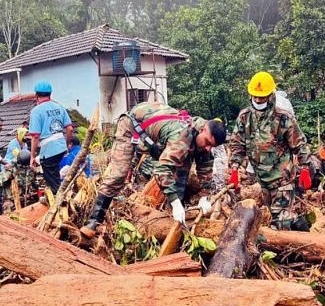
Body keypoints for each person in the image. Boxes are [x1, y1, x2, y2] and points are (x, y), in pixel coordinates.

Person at [81, 102, 226, 238]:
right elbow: (161, 170)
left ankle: (173, 220)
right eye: (207, 142)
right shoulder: (182, 137)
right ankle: (94, 221)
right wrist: (175, 203)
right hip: (132, 125)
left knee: (181, 174)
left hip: (157, 132)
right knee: (119, 174)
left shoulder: (203, 143)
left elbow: (205, 175)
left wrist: (205, 198)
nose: (208, 148)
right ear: (202, 129)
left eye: (212, 146)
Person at [228, 71, 311, 231]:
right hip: (262, 180)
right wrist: (234, 167)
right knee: (275, 216)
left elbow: (299, 144)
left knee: (279, 226)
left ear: (271, 95)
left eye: (262, 97)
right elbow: (237, 144)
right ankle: (299, 226)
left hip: (282, 179)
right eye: (255, 96)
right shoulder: (244, 117)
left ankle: (290, 250)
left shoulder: (283, 118)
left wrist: (305, 167)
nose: (258, 100)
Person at [28, 80, 73, 194]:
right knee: (55, 176)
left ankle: (60, 203)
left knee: (52, 183)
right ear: (50, 94)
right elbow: (70, 129)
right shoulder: (59, 107)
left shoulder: (36, 111)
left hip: (49, 151)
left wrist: (32, 156)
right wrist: (67, 144)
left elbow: (35, 136)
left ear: (36, 95)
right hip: (61, 147)